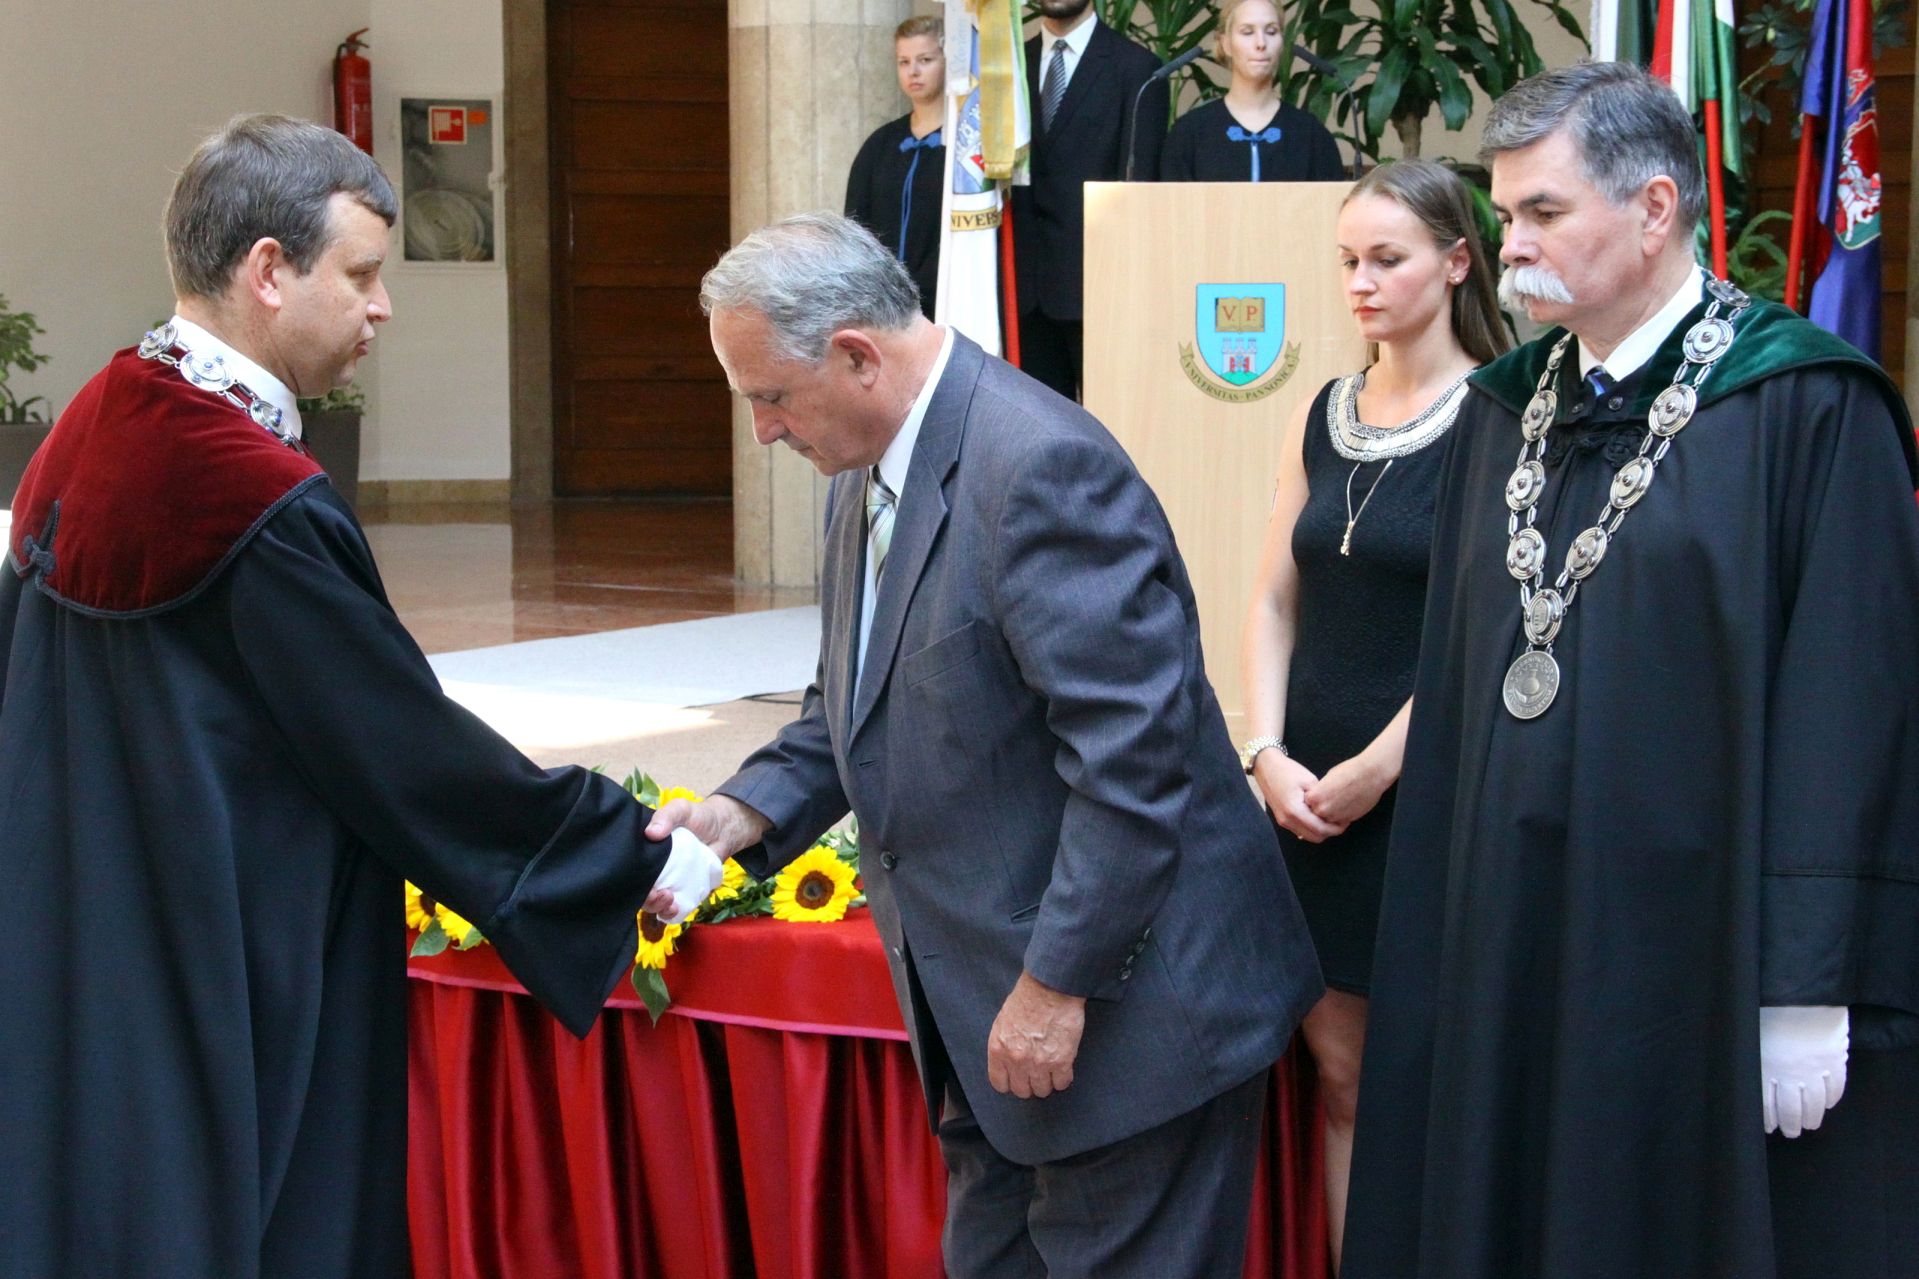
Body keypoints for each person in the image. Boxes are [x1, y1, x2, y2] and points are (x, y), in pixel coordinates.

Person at [0, 115, 719, 1276]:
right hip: (231, 949)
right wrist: (624, 856)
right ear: (267, 272)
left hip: (86, 930)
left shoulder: (90, 423)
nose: (381, 308)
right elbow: (399, 750)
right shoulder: (246, 494)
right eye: (362, 274)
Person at [652, 211, 1322, 1277]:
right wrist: (739, 812)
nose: (763, 432)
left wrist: (1055, 986)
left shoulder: (1041, 467)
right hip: (983, 1020)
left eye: (769, 396)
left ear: (857, 355)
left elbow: (1131, 763)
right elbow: (855, 701)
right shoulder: (865, 463)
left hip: (1122, 1023)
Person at [1342, 62, 1919, 1279]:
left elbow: (1851, 710)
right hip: (1508, 940)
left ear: (1654, 208)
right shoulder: (1500, 411)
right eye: (1505, 213)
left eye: (1541, 212)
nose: (1509, 246)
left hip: (1697, 958)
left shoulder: (1805, 406)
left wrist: (1807, 979)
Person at [1239, 157, 1507, 1272]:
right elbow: (1271, 599)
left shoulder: (1498, 416)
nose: (1358, 282)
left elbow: (1488, 629)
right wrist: (1264, 750)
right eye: (1347, 259)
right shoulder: (1322, 409)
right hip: (1306, 804)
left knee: (1432, 1082)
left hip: (1427, 792)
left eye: (1385, 259)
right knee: (1340, 1081)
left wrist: (1379, 767)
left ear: (1455, 263)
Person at [1014, 0, 1168, 401]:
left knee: (1110, 424)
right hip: (1023, 292)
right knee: (1036, 429)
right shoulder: (1008, 65)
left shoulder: (1138, 69)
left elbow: (1140, 193)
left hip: (1100, 288)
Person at [1161, 0, 1344, 184]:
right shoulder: (1189, 133)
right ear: (1225, 43)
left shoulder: (1311, 135)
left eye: (1271, 32)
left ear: (1282, 42)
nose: (1261, 43)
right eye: (1247, 32)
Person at [845, 15, 947, 320]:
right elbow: (855, 225)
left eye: (925, 60)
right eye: (904, 62)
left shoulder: (964, 146)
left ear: (947, 60)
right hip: (883, 305)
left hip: (944, 299)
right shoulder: (880, 144)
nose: (913, 71)